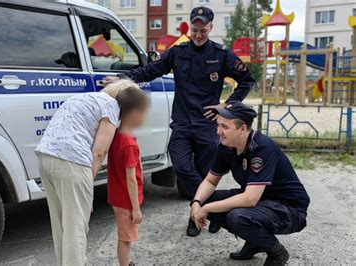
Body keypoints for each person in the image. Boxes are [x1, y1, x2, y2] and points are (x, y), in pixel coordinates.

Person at [105, 6, 254, 237]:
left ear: (210, 28)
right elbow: (152, 70)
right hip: (182, 123)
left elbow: (246, 80)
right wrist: (124, 78)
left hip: (206, 124)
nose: (198, 35)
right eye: (194, 30)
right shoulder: (178, 52)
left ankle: (195, 218)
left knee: (206, 173)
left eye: (202, 30)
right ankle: (214, 210)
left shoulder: (221, 55)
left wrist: (227, 105)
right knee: (182, 167)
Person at [190, 102, 310, 266]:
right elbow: (210, 181)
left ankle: (277, 253)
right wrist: (197, 203)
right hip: (262, 202)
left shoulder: (262, 148)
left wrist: (206, 209)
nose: (219, 132)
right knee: (206, 198)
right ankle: (255, 241)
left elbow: (249, 200)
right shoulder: (226, 147)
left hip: (289, 208)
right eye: (218, 125)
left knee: (238, 217)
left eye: (225, 127)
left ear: (243, 128)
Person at [35, 79, 141, 266]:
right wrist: (87, 187)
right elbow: (99, 152)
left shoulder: (82, 97)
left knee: (61, 225)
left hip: (45, 157)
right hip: (72, 161)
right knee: (75, 227)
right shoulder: (111, 106)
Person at [107, 88, 150, 266]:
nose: (145, 118)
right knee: (125, 238)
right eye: (144, 113)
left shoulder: (116, 135)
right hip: (126, 201)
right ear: (134, 113)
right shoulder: (129, 145)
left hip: (117, 196)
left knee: (124, 235)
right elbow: (131, 179)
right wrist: (136, 208)